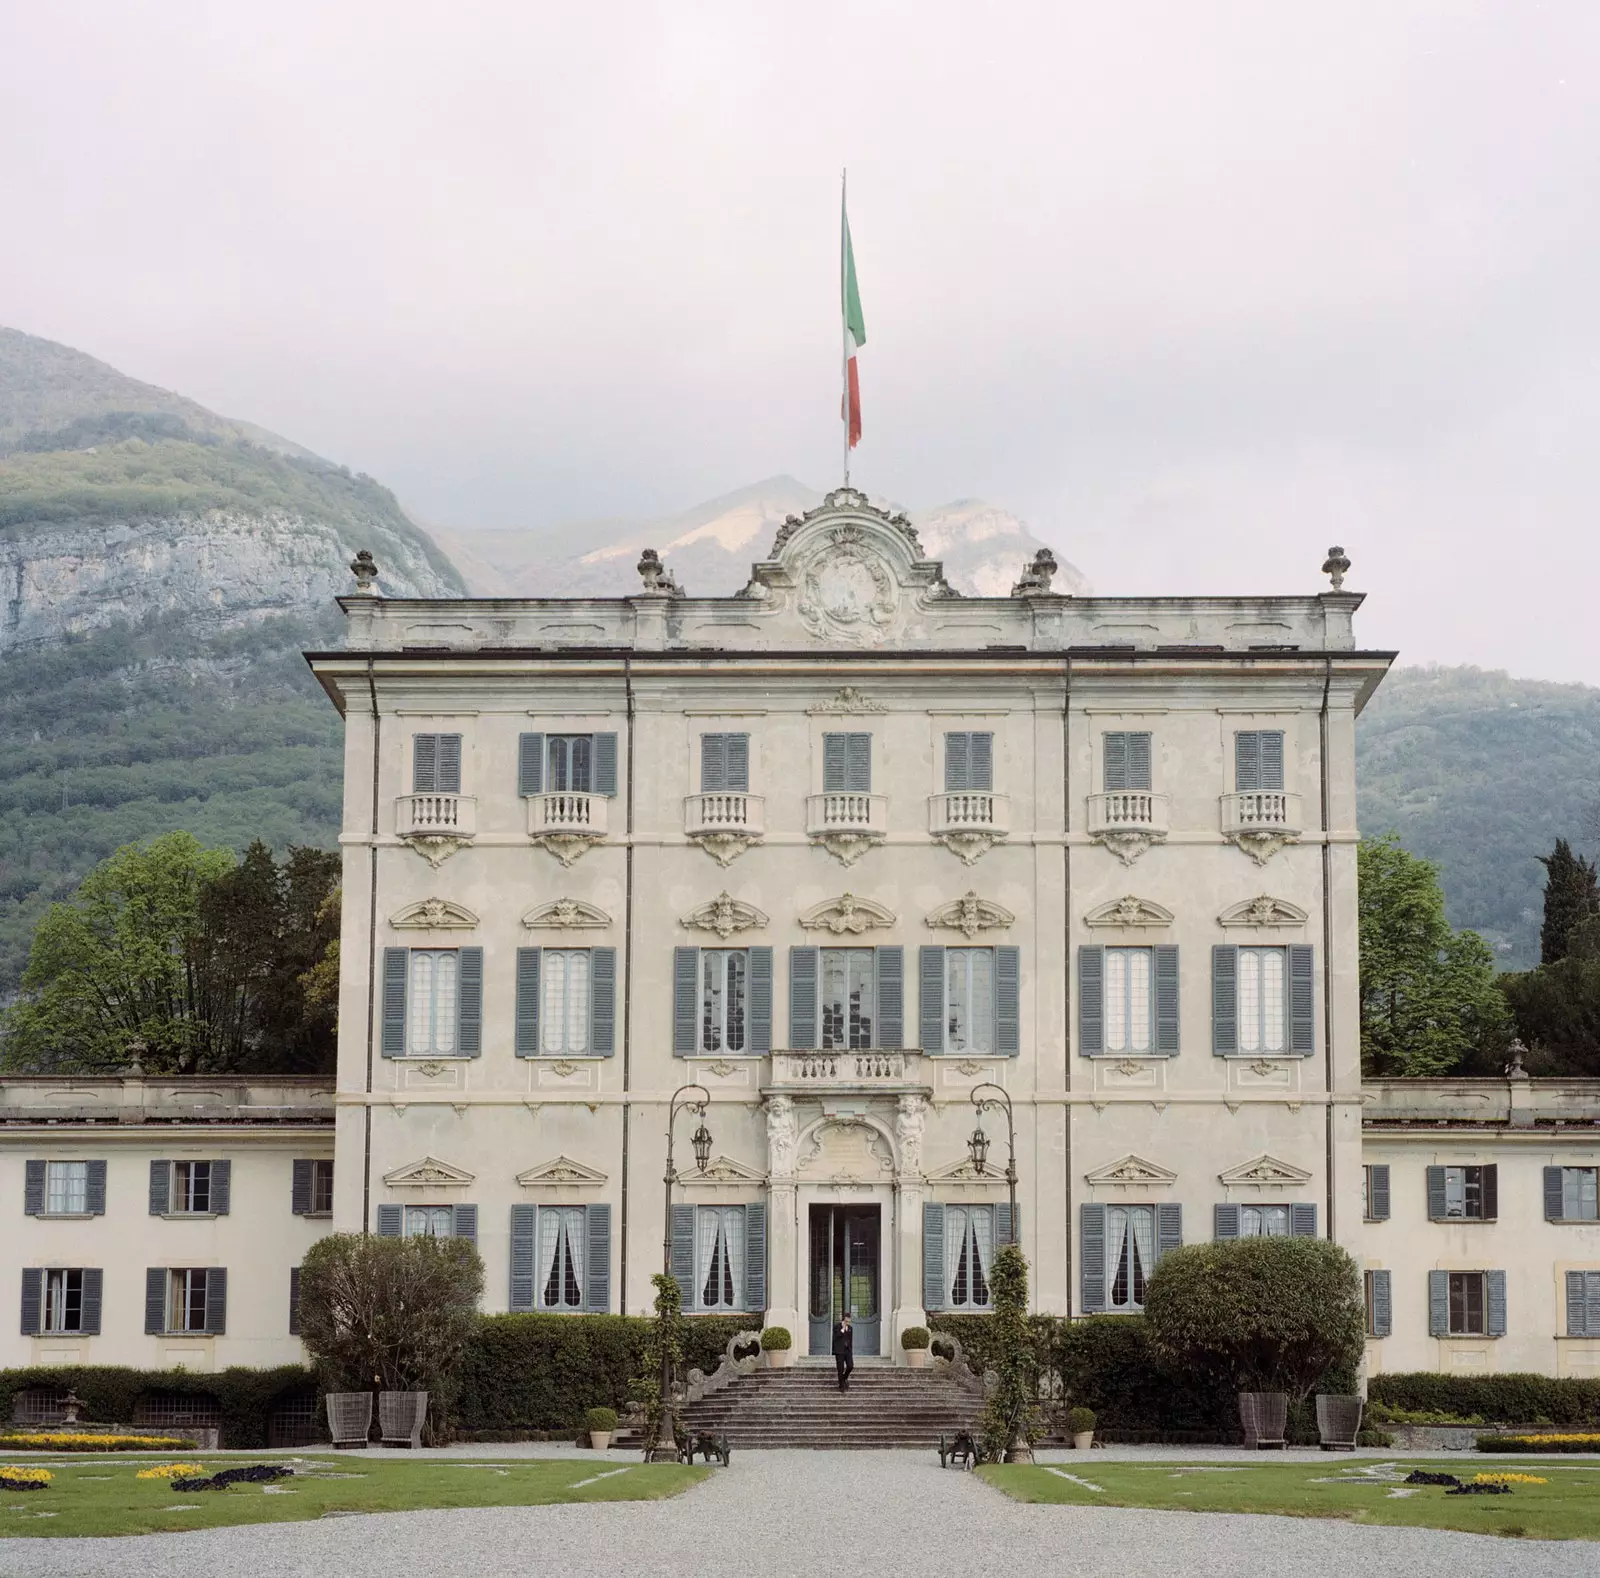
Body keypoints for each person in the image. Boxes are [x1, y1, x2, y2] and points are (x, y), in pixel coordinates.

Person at [832, 1311, 854, 1391]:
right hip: (839, 1351)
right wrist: (842, 1329)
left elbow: (850, 1340)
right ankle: (841, 1386)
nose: (848, 1322)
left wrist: (851, 1351)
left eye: (849, 1321)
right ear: (844, 1320)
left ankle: (844, 1378)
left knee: (850, 1366)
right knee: (840, 1369)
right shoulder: (837, 1327)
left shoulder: (851, 1328)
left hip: (847, 1351)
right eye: (846, 1321)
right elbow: (836, 1337)